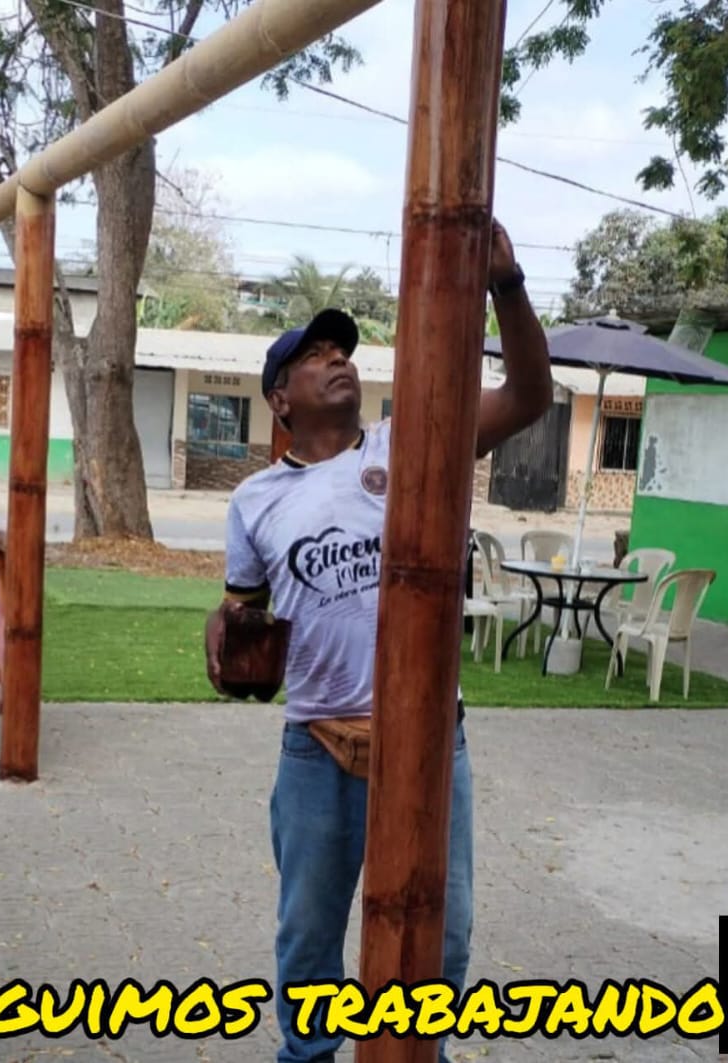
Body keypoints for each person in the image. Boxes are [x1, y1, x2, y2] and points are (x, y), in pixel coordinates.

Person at [204, 220, 551, 1063]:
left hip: (430, 738)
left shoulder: (415, 441)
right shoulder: (255, 499)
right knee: (308, 939)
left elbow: (528, 397)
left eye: (342, 350)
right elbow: (241, 612)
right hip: (317, 742)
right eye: (314, 355)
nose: (338, 359)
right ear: (279, 399)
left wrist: (506, 287)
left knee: (444, 938)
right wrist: (227, 639)